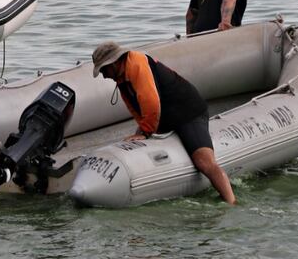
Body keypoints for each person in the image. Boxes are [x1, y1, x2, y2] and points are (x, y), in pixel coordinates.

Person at [92, 41, 237, 204]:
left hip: (188, 113)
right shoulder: (121, 76)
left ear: (114, 62)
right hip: (165, 116)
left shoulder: (137, 65)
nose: (104, 75)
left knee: (204, 162)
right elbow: (134, 107)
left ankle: (231, 202)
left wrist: (146, 131)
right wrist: (142, 131)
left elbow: (151, 102)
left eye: (103, 70)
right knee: (136, 137)